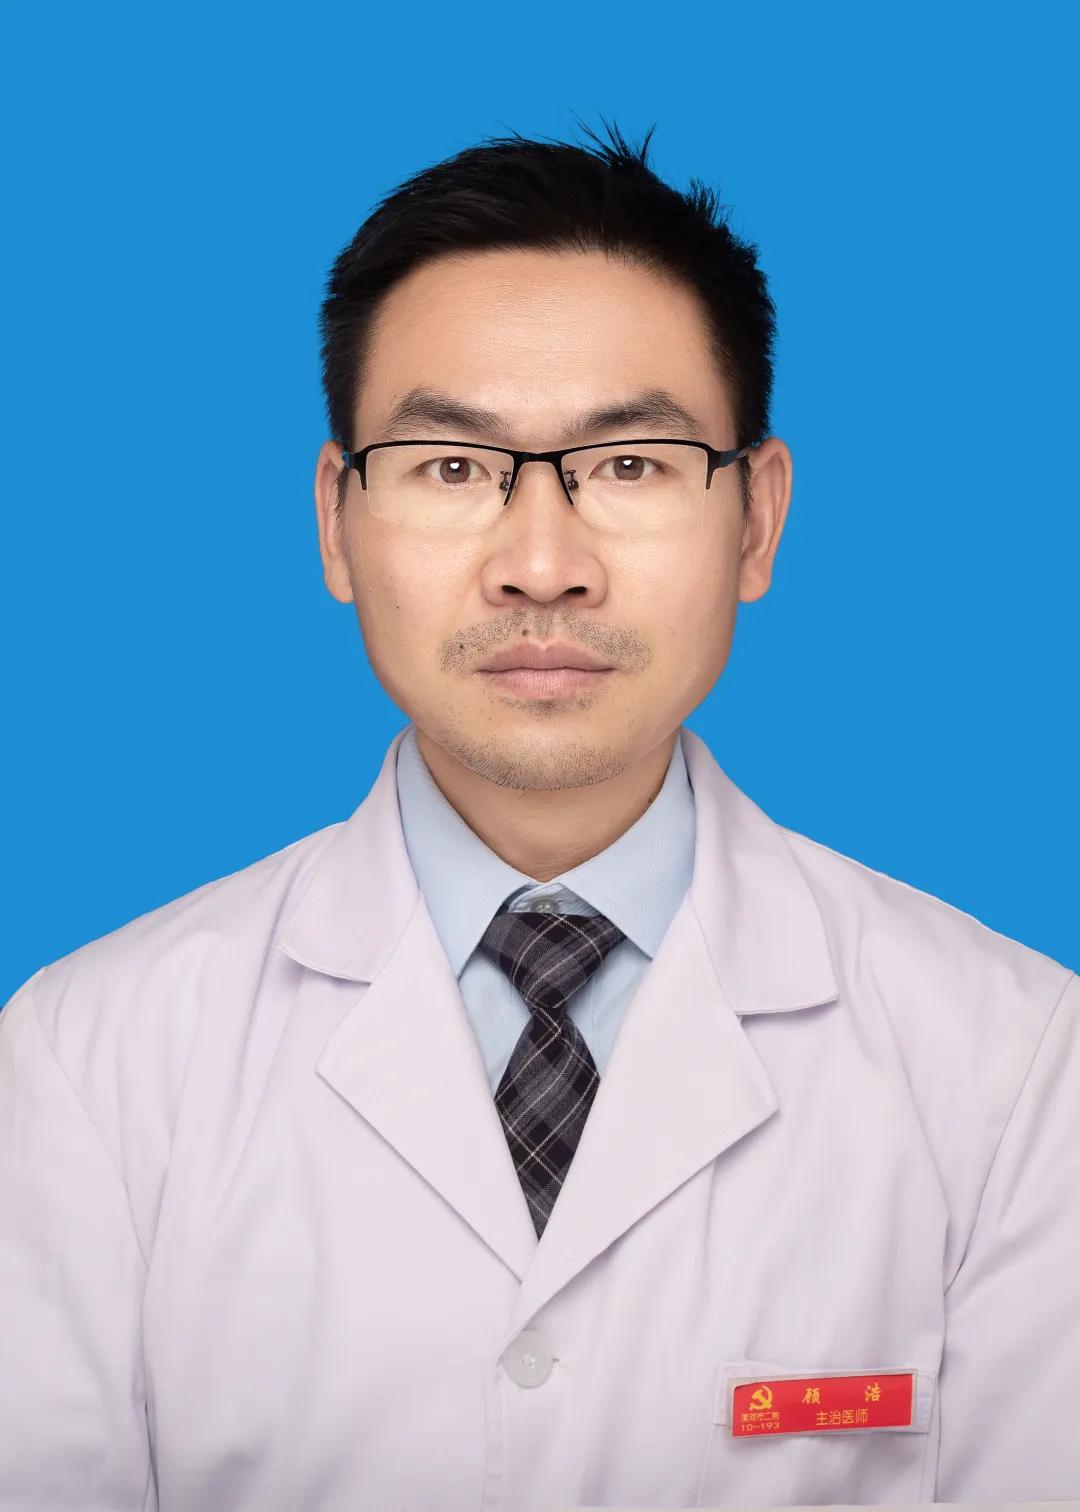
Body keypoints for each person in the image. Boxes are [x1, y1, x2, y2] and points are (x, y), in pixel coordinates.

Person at [1, 121, 1076, 1512]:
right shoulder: (90, 1061)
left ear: (757, 521)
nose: (543, 565)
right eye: (453, 468)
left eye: (630, 465)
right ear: (337, 521)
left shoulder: (1013, 1062)